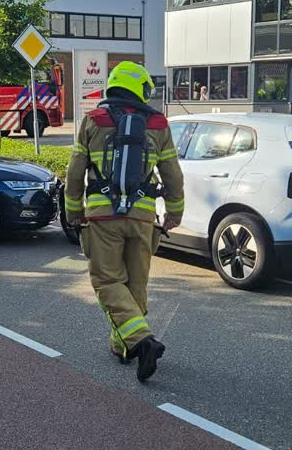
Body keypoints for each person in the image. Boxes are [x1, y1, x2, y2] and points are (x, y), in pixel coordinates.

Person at [64, 61, 185, 382]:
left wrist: (73, 212)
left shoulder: (94, 119)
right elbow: (173, 174)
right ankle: (123, 345)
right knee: (136, 283)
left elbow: (75, 173)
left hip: (104, 216)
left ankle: (142, 342)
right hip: (143, 217)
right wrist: (174, 213)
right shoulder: (158, 123)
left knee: (106, 281)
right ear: (139, 88)